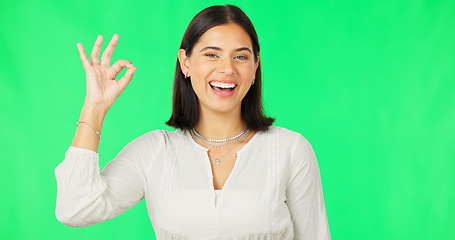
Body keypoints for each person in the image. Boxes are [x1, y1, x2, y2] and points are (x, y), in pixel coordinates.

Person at [55, 4, 331, 239]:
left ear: (255, 67)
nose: (227, 68)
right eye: (211, 54)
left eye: (241, 57)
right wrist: (94, 107)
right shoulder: (154, 152)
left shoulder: (290, 149)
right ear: (185, 62)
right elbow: (75, 208)